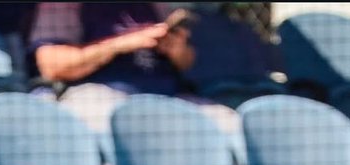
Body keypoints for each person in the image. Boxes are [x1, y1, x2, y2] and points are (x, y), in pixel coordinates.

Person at [27, 2, 239, 135]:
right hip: (99, 95)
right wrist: (120, 44)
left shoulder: (158, 6)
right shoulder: (62, 6)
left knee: (230, 124)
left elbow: (188, 62)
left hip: (166, 96)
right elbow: (52, 66)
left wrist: (176, 49)